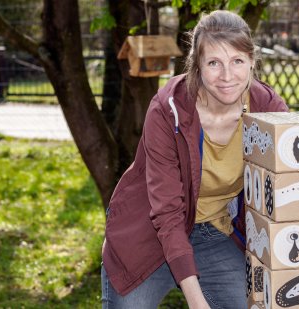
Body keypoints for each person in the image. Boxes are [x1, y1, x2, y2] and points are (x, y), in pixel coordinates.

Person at [100, 10, 288, 309]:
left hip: (214, 231)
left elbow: (290, 181)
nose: (227, 76)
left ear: (252, 61)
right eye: (214, 63)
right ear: (197, 66)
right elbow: (167, 215)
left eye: (237, 61)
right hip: (150, 236)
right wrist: (197, 302)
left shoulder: (267, 108)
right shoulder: (168, 110)